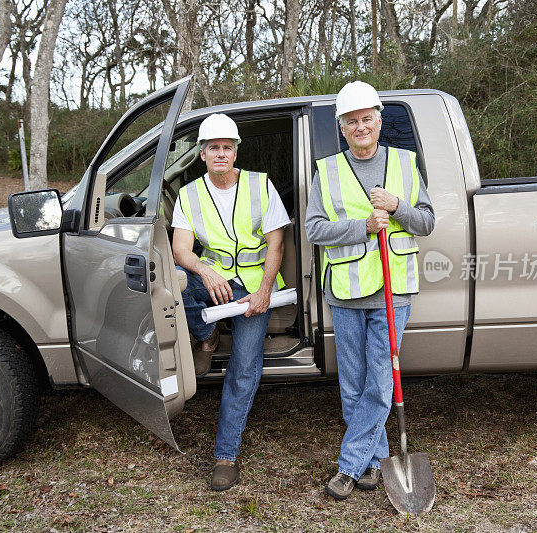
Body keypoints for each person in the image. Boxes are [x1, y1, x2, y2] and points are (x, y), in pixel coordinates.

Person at [305, 81, 435, 500]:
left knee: (380, 380)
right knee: (354, 382)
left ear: (380, 121)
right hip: (346, 289)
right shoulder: (326, 171)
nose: (360, 127)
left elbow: (427, 222)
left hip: (394, 290)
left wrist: (398, 208)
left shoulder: (404, 162)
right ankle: (375, 460)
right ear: (341, 127)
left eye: (367, 119)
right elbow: (314, 230)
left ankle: (349, 466)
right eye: (351, 122)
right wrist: (361, 227)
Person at [171, 113, 290, 491]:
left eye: (227, 147)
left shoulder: (260, 185)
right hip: (217, 281)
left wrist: (264, 292)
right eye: (213, 148)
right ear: (202, 154)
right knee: (176, 284)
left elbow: (277, 243)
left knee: (243, 368)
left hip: (255, 288)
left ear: (235, 152)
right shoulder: (189, 194)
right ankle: (206, 334)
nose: (221, 153)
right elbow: (179, 250)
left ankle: (226, 455)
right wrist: (206, 272)